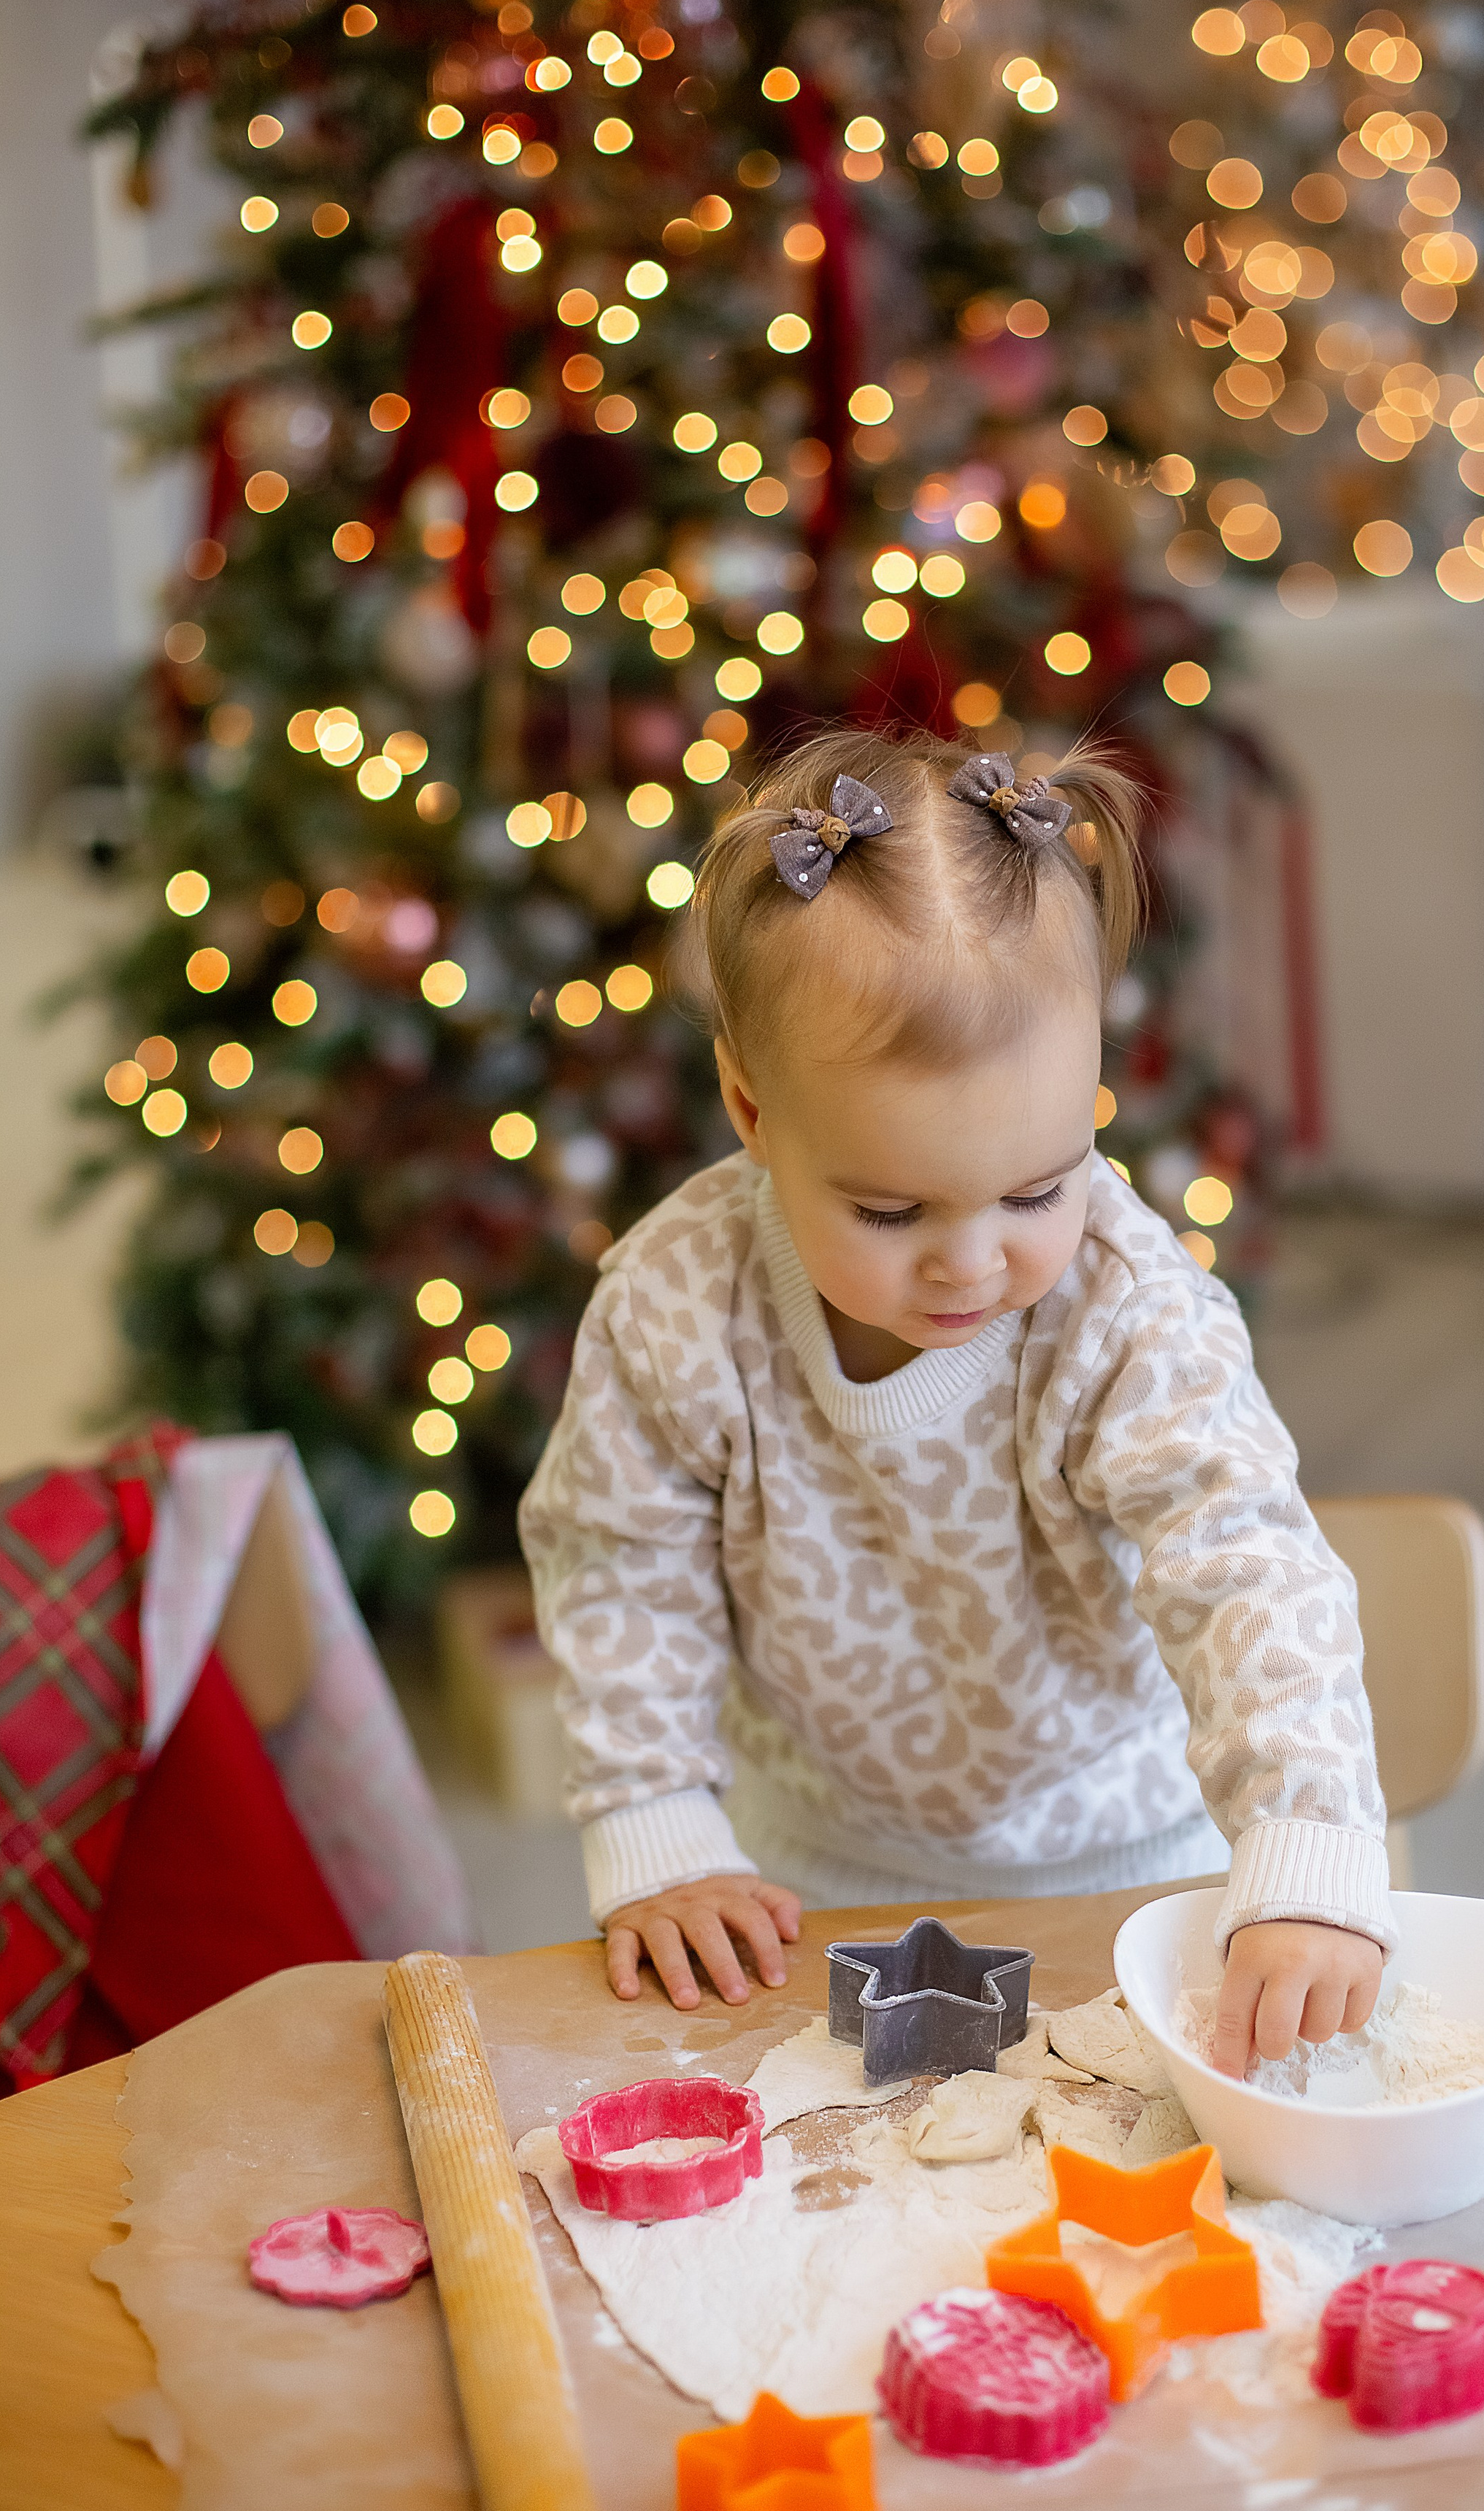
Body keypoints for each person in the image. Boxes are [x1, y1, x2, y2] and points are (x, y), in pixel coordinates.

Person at [520, 726, 1393, 2075]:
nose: (974, 1261)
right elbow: (618, 1565)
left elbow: (1247, 1567)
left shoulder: (1123, 1304)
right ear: (753, 1113)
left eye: (1038, 1188)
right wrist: (656, 1826)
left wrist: (1307, 1848)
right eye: (889, 1208)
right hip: (810, 1881)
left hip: (1136, 1871)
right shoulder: (676, 1301)